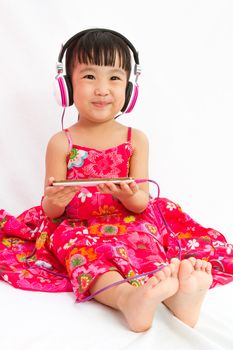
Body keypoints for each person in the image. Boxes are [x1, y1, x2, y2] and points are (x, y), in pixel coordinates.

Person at [0, 28, 232, 332]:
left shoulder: (136, 139)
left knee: (146, 238)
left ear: (129, 89)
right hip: (75, 224)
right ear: (67, 86)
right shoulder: (61, 142)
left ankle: (180, 298)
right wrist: (55, 201)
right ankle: (128, 299)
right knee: (79, 251)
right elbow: (51, 211)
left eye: (113, 78)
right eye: (89, 77)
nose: (102, 89)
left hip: (128, 217)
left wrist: (127, 196)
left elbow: (140, 203)